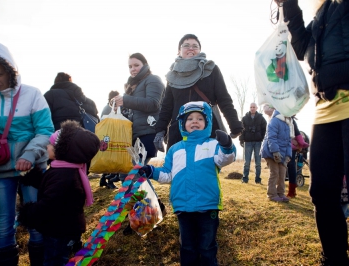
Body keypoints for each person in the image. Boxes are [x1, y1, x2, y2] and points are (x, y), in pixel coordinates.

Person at [276, 0, 349, 264]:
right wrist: (289, 5)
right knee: (323, 193)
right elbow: (304, 47)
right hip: (326, 104)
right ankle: (335, 259)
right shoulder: (325, 10)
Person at [140, 101, 236, 266]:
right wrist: (151, 171)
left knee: (207, 246)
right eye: (190, 118)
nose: (195, 121)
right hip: (183, 206)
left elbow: (225, 158)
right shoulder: (175, 149)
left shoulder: (212, 144)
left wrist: (227, 145)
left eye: (200, 118)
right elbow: (167, 174)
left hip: (208, 205)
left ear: (207, 123)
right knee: (188, 246)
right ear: (182, 123)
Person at [0, 43, 55, 266]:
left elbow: (45, 130)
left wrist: (29, 154)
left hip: (32, 168)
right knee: (3, 223)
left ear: (11, 71)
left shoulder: (32, 94)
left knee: (37, 221)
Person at [18, 120, 100, 266]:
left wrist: (28, 213)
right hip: (66, 228)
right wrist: (34, 178)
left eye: (51, 144)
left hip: (59, 232)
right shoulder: (67, 169)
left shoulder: (63, 175)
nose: (47, 146)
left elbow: (51, 203)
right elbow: (50, 185)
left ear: (62, 150)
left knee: (54, 261)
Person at [154, 34, 243, 152]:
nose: (191, 48)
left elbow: (224, 99)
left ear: (199, 50)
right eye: (186, 45)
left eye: (195, 46)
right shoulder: (172, 75)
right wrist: (160, 131)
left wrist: (234, 124)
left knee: (206, 168)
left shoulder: (211, 69)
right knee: (176, 169)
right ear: (179, 51)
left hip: (207, 130)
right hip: (178, 133)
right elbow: (167, 107)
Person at [113, 53, 165, 164]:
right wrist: (118, 107)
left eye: (136, 65)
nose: (133, 69)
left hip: (148, 132)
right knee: (131, 172)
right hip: (134, 134)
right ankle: (145, 179)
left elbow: (153, 103)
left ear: (145, 64)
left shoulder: (153, 79)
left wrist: (126, 100)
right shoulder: (132, 86)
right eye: (130, 67)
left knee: (133, 172)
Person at [260, 109, 292, 202]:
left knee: (282, 173)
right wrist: (275, 152)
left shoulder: (288, 123)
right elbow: (271, 137)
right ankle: (272, 195)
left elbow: (289, 141)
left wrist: (288, 155)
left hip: (283, 152)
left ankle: (280, 193)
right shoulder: (274, 121)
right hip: (271, 152)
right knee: (275, 173)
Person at [239, 102, 267, 184]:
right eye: (251, 107)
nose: (252, 108)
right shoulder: (244, 118)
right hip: (247, 142)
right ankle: (245, 179)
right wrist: (241, 140)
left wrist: (262, 138)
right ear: (249, 108)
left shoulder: (261, 118)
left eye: (254, 107)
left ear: (257, 108)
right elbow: (241, 130)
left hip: (258, 142)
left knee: (258, 163)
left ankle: (258, 179)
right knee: (247, 162)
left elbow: (265, 129)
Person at [99, 90, 120, 189]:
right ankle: (109, 181)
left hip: (105, 136)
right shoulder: (110, 108)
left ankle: (103, 179)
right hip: (110, 136)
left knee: (108, 159)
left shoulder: (106, 107)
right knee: (112, 159)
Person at [286, 118, 309, 198]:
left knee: (291, 165)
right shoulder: (278, 117)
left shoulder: (292, 121)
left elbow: (297, 133)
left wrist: (298, 143)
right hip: (282, 144)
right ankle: (279, 190)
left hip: (291, 147)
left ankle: (292, 191)